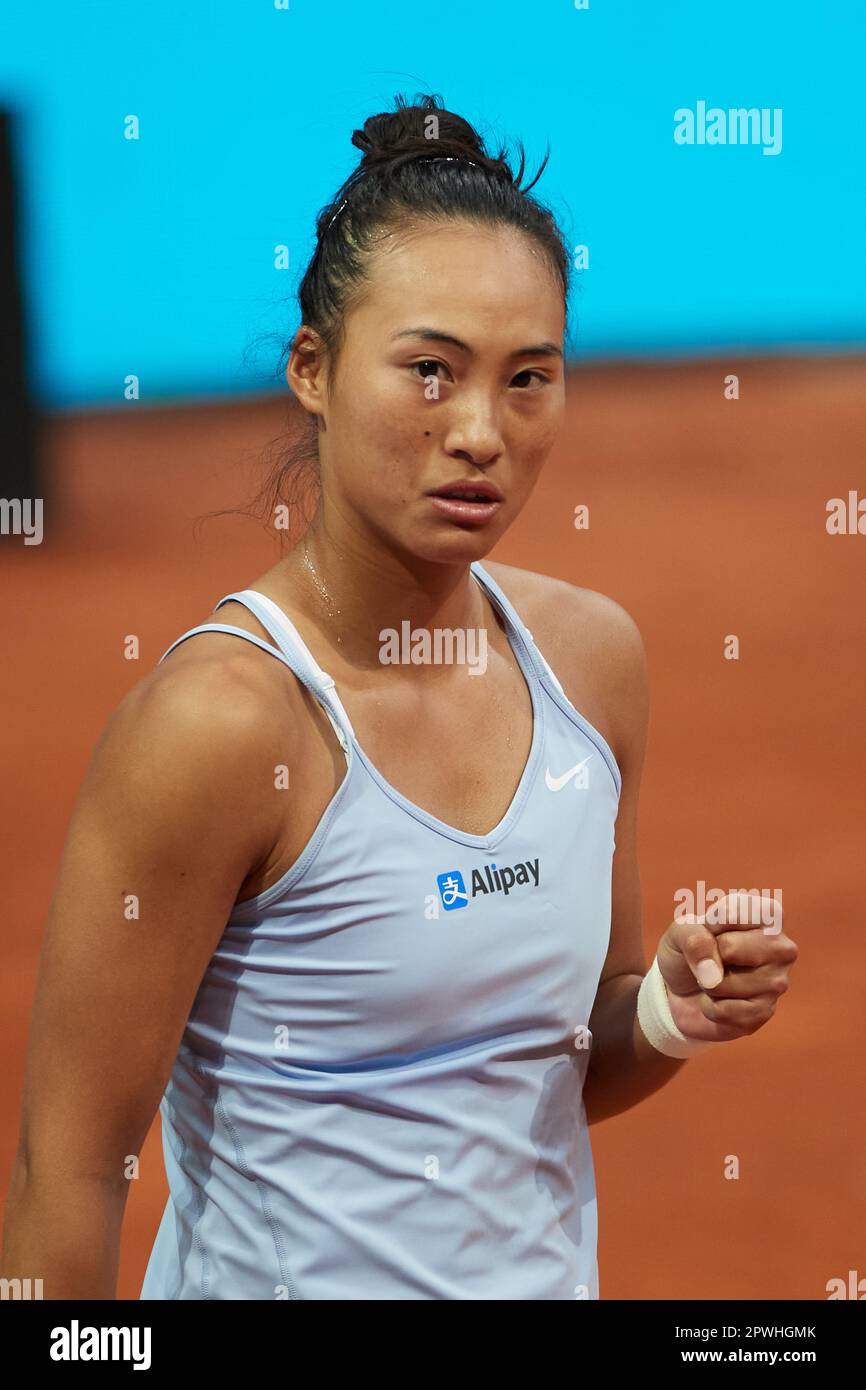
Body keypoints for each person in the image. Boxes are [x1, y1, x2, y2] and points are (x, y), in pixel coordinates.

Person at [0, 93, 797, 1300]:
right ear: (311, 370)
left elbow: (564, 1054)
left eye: (529, 377)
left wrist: (670, 1015)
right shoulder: (218, 725)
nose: (479, 430)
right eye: (429, 371)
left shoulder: (591, 663)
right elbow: (69, 1175)